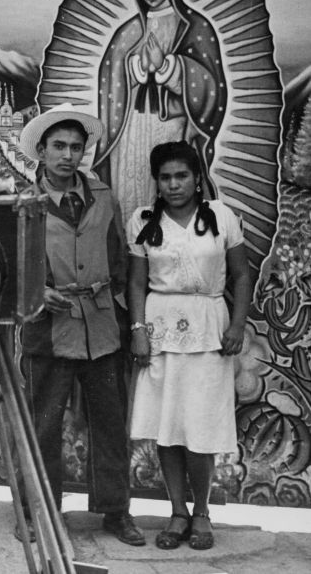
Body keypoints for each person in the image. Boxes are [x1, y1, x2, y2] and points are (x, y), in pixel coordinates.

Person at [16, 103, 145, 546]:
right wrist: (33, 293)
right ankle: (41, 513)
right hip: (46, 330)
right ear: (41, 151)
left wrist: (120, 310)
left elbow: (119, 257)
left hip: (103, 329)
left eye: (76, 146)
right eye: (59, 146)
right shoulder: (21, 202)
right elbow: (4, 266)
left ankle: (115, 511)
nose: (68, 155)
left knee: (110, 423)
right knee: (44, 426)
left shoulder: (104, 196)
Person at [126, 140, 251, 550]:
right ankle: (177, 512)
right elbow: (135, 282)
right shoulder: (143, 221)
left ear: (198, 177)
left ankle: (201, 513)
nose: (174, 184)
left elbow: (242, 275)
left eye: (182, 175)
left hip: (209, 330)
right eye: (165, 177)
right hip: (161, 333)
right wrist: (139, 330)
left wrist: (236, 324)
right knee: (168, 429)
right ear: (157, 182)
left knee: (200, 427)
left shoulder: (221, 217)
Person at [95, 0, 227, 224]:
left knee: (167, 191)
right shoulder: (129, 30)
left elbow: (210, 84)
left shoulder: (195, 27)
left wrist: (168, 66)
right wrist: (136, 68)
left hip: (171, 128)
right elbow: (111, 76)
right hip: (131, 130)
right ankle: (132, 257)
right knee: (131, 198)